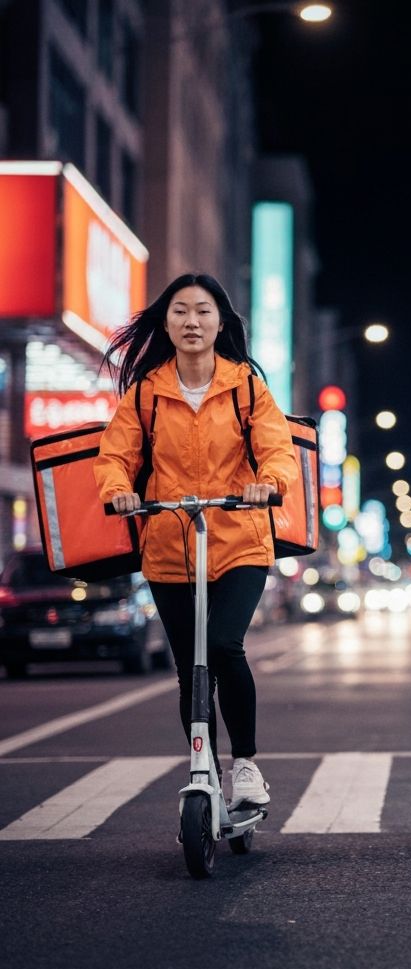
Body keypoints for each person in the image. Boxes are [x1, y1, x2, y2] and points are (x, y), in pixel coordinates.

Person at [95, 273, 297, 810]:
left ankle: (247, 765)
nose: (192, 321)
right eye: (181, 311)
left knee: (224, 647)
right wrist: (118, 491)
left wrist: (268, 484)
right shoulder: (146, 394)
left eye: (203, 311)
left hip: (239, 542)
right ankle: (202, 764)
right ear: (166, 322)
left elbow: (277, 449)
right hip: (168, 546)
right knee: (190, 667)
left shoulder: (247, 388)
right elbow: (116, 455)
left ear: (221, 323)